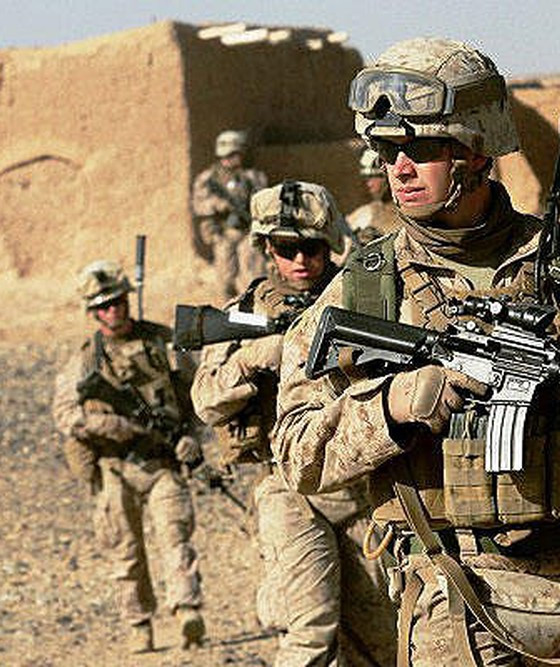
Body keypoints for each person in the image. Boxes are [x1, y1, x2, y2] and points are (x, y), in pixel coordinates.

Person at [271, 38, 560, 666]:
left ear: (476, 150)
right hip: (449, 594)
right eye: (388, 151)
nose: (399, 168)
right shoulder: (367, 288)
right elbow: (296, 452)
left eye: (422, 149)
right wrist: (390, 407)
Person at [190, 181, 396, 667]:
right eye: (286, 249)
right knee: (310, 632)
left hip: (361, 489)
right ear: (267, 249)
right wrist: (252, 361)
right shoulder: (244, 316)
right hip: (287, 489)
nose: (300, 260)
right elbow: (205, 401)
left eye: (312, 248)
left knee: (380, 641)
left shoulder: (359, 301)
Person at [51, 260, 205, 653]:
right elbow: (64, 414)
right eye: (103, 306)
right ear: (92, 312)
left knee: (176, 537)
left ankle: (186, 609)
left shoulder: (162, 343)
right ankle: (139, 624)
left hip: (163, 462)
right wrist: (104, 425)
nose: (113, 310)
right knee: (125, 552)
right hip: (114, 468)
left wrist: (191, 438)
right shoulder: (86, 359)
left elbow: (198, 395)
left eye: (118, 302)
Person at [191, 130, 269, 301]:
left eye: (233, 155)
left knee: (253, 276)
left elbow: (263, 202)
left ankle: (253, 308)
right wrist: (218, 205)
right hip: (223, 233)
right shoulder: (208, 179)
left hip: (248, 232)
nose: (229, 159)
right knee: (225, 280)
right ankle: (228, 310)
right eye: (225, 156)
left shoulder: (253, 177)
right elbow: (199, 205)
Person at [346, 148, 399, 245]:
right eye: (367, 178)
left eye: (373, 177)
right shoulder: (361, 216)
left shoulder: (410, 215)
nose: (369, 184)